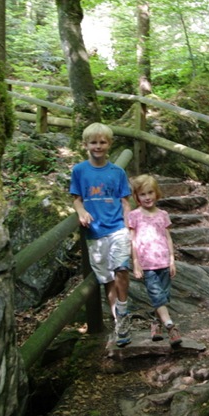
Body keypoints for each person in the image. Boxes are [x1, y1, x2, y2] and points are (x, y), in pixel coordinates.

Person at [69, 123, 133, 347]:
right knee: (107, 279)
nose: (98, 146)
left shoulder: (117, 172)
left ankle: (123, 311)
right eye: (94, 142)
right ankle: (118, 320)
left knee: (121, 269)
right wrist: (81, 211)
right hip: (95, 232)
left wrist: (130, 228)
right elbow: (76, 199)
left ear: (109, 144)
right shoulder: (79, 170)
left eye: (102, 142)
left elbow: (125, 202)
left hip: (117, 228)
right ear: (86, 145)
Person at [128, 174, 182, 347]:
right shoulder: (134, 215)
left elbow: (168, 238)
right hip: (147, 264)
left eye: (150, 192)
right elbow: (133, 240)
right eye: (142, 194)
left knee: (163, 297)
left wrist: (172, 260)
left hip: (164, 262)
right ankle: (170, 326)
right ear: (137, 197)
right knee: (157, 296)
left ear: (156, 193)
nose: (147, 197)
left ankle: (155, 323)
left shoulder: (163, 214)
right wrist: (136, 262)